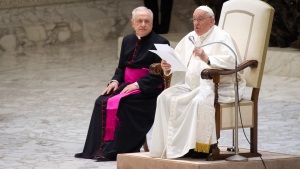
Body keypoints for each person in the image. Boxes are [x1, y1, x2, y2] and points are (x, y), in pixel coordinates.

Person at [149, 5, 246, 159]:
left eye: (200, 19)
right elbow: (176, 60)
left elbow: (233, 61)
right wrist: (166, 66)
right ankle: (173, 147)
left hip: (217, 86)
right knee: (164, 97)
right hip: (190, 86)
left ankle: (200, 148)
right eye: (194, 20)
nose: (196, 24)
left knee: (198, 102)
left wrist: (207, 58)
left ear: (211, 20)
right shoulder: (190, 37)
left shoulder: (222, 37)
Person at [75, 6, 170, 162]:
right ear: (132, 23)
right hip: (125, 85)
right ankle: (97, 149)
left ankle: (116, 150)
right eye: (139, 21)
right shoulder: (127, 40)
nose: (143, 24)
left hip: (148, 92)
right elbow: (121, 67)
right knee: (101, 101)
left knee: (123, 103)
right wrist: (115, 81)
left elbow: (160, 76)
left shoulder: (161, 42)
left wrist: (138, 84)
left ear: (152, 24)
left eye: (147, 21)